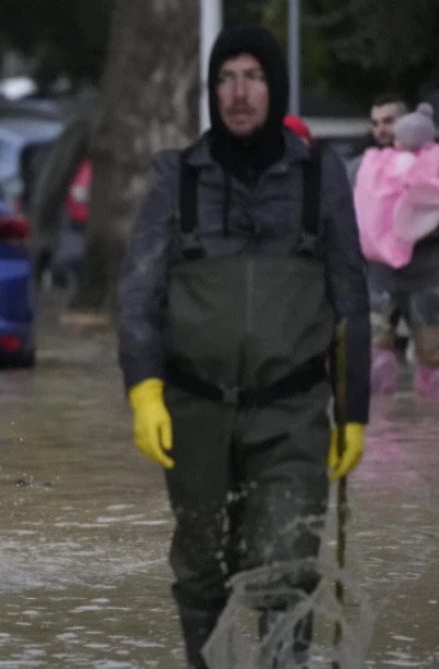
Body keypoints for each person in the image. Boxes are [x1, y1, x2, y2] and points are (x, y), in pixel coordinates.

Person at [117, 25, 370, 667]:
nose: (239, 92)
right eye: (226, 77)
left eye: (253, 77)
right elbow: (139, 293)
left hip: (293, 414)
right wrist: (144, 390)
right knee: (202, 568)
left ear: (275, 88)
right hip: (195, 410)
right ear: (211, 90)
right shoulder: (176, 178)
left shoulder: (321, 176)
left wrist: (356, 410)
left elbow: (350, 299)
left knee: (285, 563)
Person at [354, 102, 439, 398]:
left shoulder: (433, 165)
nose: (381, 129)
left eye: (388, 121)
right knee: (373, 363)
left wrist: (417, 221)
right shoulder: (363, 167)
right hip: (377, 278)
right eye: (375, 122)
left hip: (427, 278)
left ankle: (428, 438)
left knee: (433, 363)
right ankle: (381, 438)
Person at [347, 93, 408, 183]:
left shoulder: (427, 158)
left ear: (407, 120)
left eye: (388, 121)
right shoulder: (359, 167)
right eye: (375, 124)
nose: (380, 129)